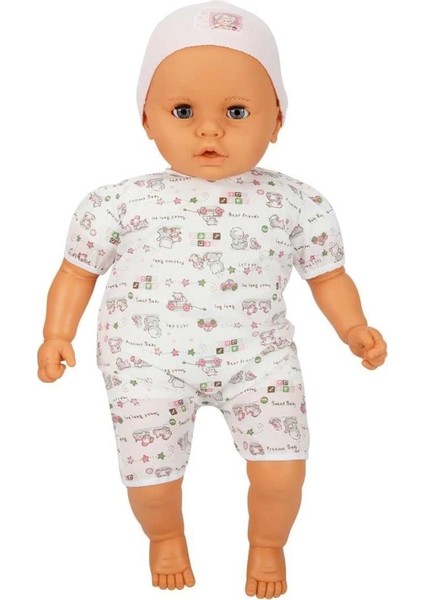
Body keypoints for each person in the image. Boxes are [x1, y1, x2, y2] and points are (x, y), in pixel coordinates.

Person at [37, 2, 387, 597]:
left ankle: (268, 545)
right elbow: (76, 271)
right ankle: (165, 536)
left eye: (236, 111)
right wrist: (56, 333)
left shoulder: (298, 203)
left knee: (283, 472)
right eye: (183, 111)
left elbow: (328, 277)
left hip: (259, 362)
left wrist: (355, 328)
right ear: (146, 119)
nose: (209, 130)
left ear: (277, 120)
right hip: (145, 361)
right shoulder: (116, 203)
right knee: (151, 480)